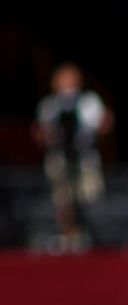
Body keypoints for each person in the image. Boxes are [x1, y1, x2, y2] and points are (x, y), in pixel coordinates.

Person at [33, 63, 113, 252]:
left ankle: (93, 238)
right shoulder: (49, 106)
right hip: (60, 160)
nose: (67, 84)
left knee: (90, 198)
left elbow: (104, 123)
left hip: (85, 160)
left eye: (70, 79)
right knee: (63, 201)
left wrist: (102, 127)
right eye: (63, 79)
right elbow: (41, 133)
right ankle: (68, 238)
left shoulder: (89, 102)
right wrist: (45, 135)